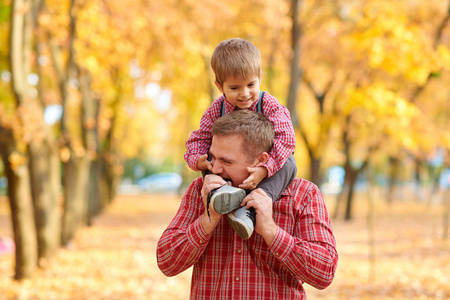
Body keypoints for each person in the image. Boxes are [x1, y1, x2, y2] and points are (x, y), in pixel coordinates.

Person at [158, 110, 338, 299]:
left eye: (227, 161)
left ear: (261, 161)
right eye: (213, 157)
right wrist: (206, 221)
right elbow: (166, 262)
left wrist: (271, 232)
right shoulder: (200, 190)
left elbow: (324, 273)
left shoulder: (303, 194)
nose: (215, 169)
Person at [184, 38, 297, 240]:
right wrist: (199, 159)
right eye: (235, 88)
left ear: (260, 78)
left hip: (267, 165)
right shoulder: (215, 111)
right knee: (211, 163)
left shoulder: (269, 105)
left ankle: (253, 207)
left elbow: (286, 139)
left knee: (289, 162)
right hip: (228, 171)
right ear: (220, 86)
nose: (245, 94)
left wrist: (265, 169)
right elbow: (198, 139)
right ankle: (221, 197)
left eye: (251, 84)